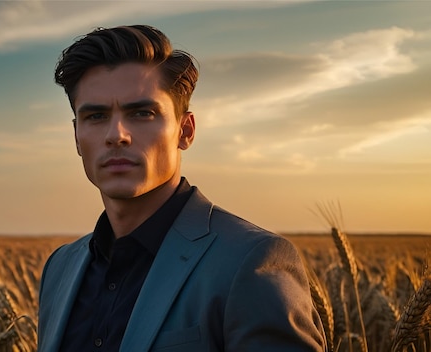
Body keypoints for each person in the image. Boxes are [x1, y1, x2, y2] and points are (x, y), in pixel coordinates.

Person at [38, 25, 326, 352]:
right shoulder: (60, 269)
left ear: (185, 131)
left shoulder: (250, 262)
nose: (116, 134)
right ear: (77, 136)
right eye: (96, 116)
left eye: (142, 113)